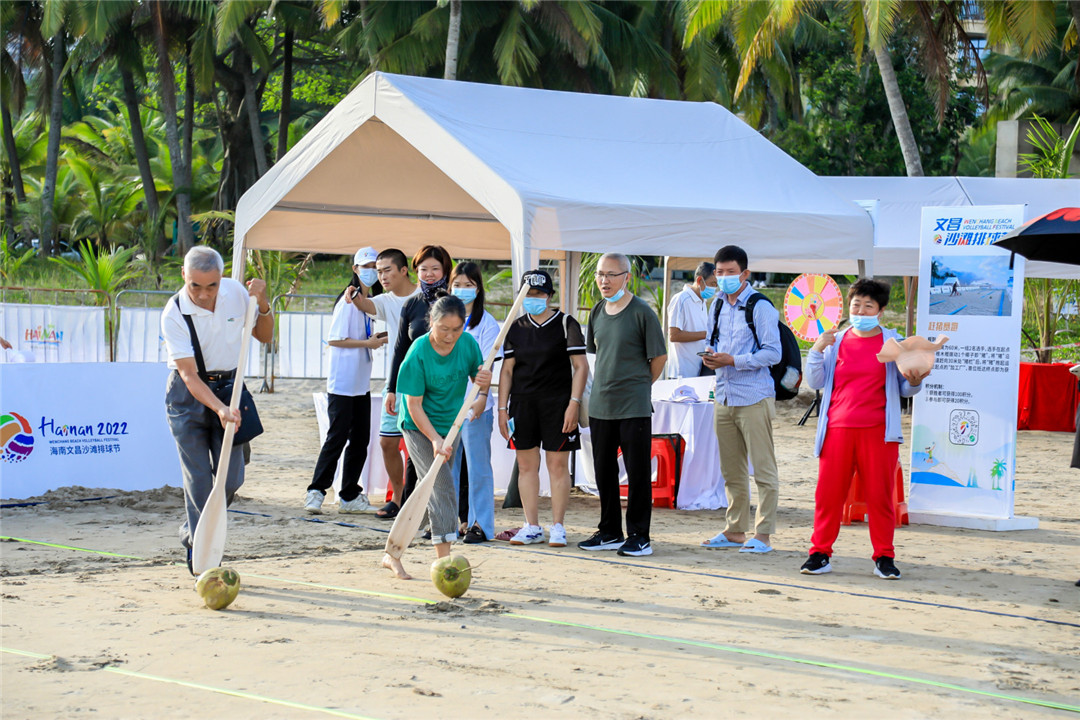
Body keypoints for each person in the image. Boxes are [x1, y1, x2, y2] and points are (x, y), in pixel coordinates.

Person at [801, 279, 926, 580]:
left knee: (880, 496)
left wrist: (916, 378)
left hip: (879, 431)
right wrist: (816, 351)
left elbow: (906, 389)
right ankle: (820, 553)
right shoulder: (836, 341)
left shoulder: (894, 344)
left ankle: (884, 556)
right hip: (838, 429)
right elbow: (815, 382)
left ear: (881, 311)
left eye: (868, 305)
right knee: (828, 495)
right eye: (856, 304)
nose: (860, 310)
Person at [160, 246, 273, 574]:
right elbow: (188, 374)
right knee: (198, 481)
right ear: (184, 275)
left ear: (221, 279)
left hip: (231, 388)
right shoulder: (173, 313)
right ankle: (205, 561)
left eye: (211, 286)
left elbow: (264, 335)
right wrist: (220, 409)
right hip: (189, 398)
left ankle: (192, 533)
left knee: (231, 478)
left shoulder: (237, 294)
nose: (204, 294)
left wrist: (262, 303)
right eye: (196, 285)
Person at [380, 294, 492, 579]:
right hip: (418, 426)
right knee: (442, 486)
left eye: (457, 329)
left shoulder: (466, 344)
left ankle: (390, 554)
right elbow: (413, 406)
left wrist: (483, 389)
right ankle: (446, 563)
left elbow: (478, 380)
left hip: (450, 425)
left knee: (430, 489)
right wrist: (434, 440)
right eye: (444, 328)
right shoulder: (417, 353)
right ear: (431, 321)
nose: (450, 336)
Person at [578, 253, 666, 557]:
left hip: (634, 406)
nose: (604, 280)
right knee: (603, 472)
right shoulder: (597, 312)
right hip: (601, 405)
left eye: (611, 274)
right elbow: (595, 354)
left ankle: (640, 535)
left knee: (638, 472)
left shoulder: (643, 313)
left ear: (626, 277)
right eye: (600, 274)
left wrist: (640, 387)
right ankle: (610, 530)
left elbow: (659, 358)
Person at [498, 270, 589, 548]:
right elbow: (507, 371)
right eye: (528, 294)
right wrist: (502, 408)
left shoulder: (566, 323)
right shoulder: (515, 327)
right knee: (526, 466)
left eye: (539, 294)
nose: (533, 299)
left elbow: (580, 366)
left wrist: (574, 404)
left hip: (558, 404)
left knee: (557, 466)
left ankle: (558, 526)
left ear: (549, 295)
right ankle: (532, 525)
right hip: (523, 405)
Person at [700, 245, 781, 555]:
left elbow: (773, 353)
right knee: (731, 470)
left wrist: (734, 360)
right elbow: (711, 341)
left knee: (763, 470)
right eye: (719, 273)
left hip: (754, 396)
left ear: (745, 274)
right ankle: (734, 530)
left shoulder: (760, 306)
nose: (723, 278)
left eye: (730, 273)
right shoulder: (716, 305)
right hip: (724, 395)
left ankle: (763, 534)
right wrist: (710, 358)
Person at [304, 247, 389, 515]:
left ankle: (350, 494)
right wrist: (368, 343)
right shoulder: (348, 300)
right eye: (366, 266)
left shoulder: (369, 301)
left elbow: (367, 337)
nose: (372, 271)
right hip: (342, 384)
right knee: (337, 438)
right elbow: (334, 338)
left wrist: (378, 339)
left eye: (376, 266)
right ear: (355, 269)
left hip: (361, 384)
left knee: (360, 440)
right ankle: (316, 491)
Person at [349, 247, 419, 519]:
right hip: (396, 383)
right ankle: (399, 498)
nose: (382, 276)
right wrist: (355, 294)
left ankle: (416, 499)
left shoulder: (424, 298)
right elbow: (368, 306)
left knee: (417, 446)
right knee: (387, 443)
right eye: (378, 272)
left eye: (387, 270)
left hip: (423, 383)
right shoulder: (385, 300)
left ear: (404, 270)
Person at [449, 261, 501, 544]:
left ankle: (481, 524)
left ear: (478, 288)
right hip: (446, 406)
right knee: (448, 468)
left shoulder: (487, 324)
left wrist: (482, 397)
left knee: (478, 467)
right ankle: (447, 521)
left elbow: (488, 367)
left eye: (469, 285)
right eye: (457, 284)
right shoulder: (444, 320)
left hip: (475, 407)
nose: (463, 290)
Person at [666, 261, 717, 378]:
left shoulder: (703, 302)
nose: (714, 288)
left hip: (698, 371)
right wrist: (707, 334)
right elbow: (674, 335)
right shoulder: (681, 299)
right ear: (699, 281)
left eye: (716, 285)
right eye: (712, 283)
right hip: (681, 374)